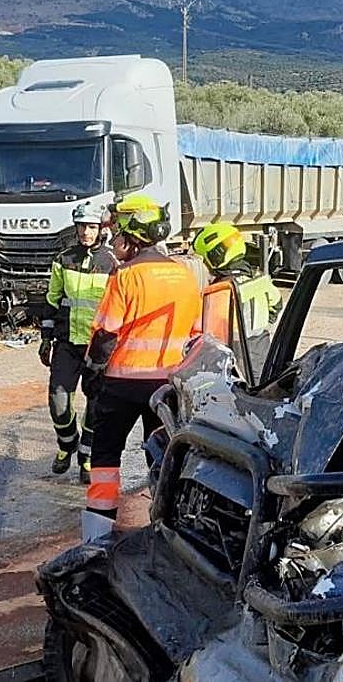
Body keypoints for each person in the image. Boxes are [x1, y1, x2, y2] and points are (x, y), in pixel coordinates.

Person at [82, 193, 202, 542]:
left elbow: (106, 334)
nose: (115, 238)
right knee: (163, 456)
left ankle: (96, 536)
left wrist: (92, 372)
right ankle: (168, 528)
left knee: (105, 457)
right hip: (166, 386)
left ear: (133, 236)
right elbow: (194, 334)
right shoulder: (184, 276)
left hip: (121, 384)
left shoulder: (125, 277)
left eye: (120, 232)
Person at [39, 202, 116, 483]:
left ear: (100, 229)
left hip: (98, 347)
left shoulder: (111, 263)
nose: (86, 232)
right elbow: (52, 299)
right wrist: (46, 338)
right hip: (68, 343)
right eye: (82, 226)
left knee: (96, 405)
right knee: (58, 401)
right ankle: (66, 445)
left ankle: (86, 456)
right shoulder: (63, 259)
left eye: (92, 227)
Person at [192, 222, 282, 376]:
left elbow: (204, 330)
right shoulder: (261, 279)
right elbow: (276, 305)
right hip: (260, 348)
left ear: (216, 256)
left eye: (206, 259)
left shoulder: (218, 291)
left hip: (230, 355)